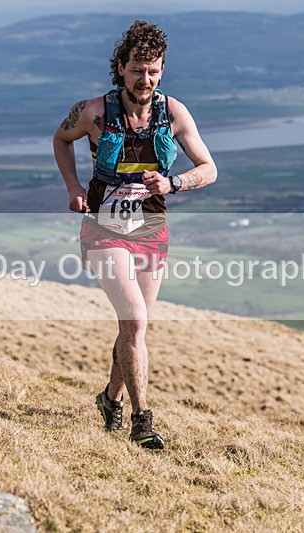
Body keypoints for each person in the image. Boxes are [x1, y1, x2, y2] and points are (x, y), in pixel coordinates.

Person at [52, 20, 217, 449]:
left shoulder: (174, 112)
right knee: (136, 319)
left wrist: (174, 183)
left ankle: (109, 399)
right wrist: (73, 188)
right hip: (103, 229)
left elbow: (209, 168)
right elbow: (61, 139)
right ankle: (141, 422)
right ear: (121, 68)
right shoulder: (93, 111)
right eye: (138, 70)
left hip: (151, 229)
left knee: (135, 329)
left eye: (154, 72)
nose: (146, 80)